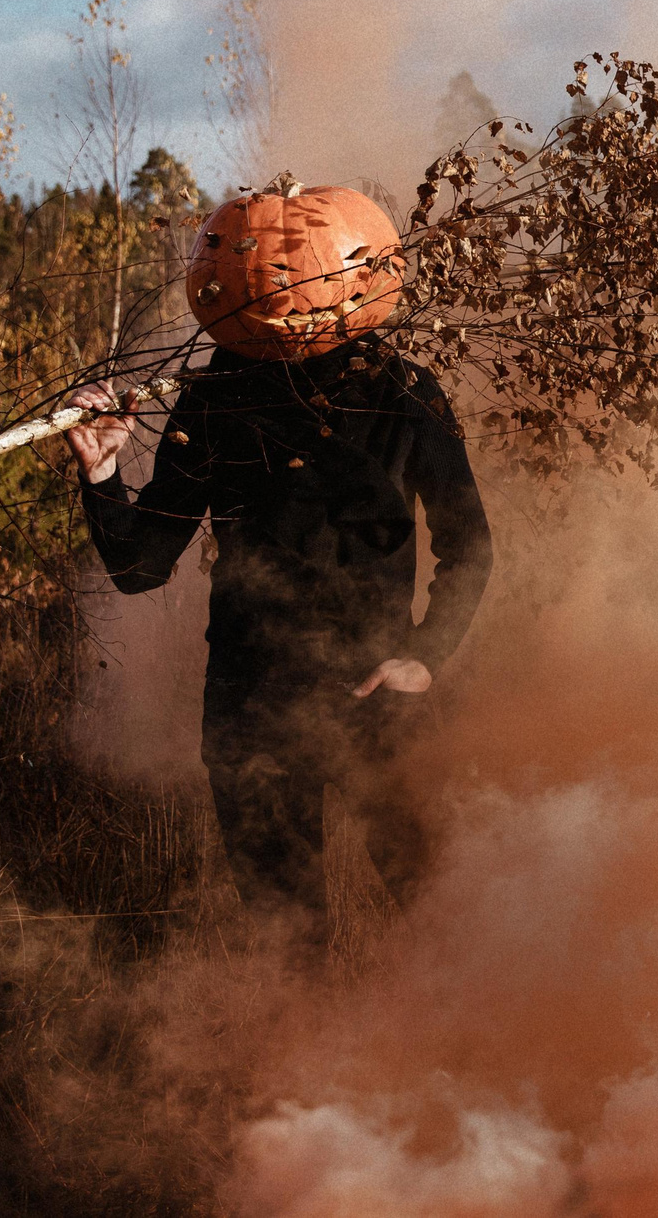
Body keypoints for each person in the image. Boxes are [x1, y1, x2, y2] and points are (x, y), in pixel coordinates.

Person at [64, 184, 489, 940]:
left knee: (438, 917)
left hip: (377, 697)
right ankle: (309, 1059)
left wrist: (425, 656)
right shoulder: (213, 400)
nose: (274, 284)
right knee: (288, 939)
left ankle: (461, 1053)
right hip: (250, 708)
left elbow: (469, 543)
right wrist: (102, 474)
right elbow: (140, 566)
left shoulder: (403, 390)